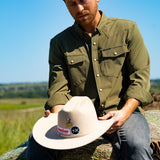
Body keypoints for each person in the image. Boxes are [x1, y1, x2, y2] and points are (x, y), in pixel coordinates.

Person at [26, 0, 154, 159]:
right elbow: (58, 89)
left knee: (136, 147)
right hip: (79, 118)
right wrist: (58, 116)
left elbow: (140, 76)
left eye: (83, 1)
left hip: (122, 109)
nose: (79, 8)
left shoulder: (128, 30)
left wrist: (125, 112)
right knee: (38, 144)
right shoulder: (59, 43)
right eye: (72, 4)